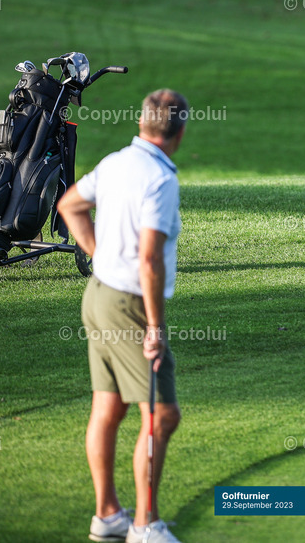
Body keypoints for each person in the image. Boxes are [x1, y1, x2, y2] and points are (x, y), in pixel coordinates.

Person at [57, 89, 188, 543]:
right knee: (161, 415)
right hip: (130, 305)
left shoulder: (115, 162)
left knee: (108, 407)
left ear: (142, 122)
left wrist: (101, 254)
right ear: (180, 132)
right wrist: (154, 327)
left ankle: (107, 514)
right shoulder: (161, 180)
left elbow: (69, 205)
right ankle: (145, 525)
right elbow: (149, 259)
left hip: (97, 295)